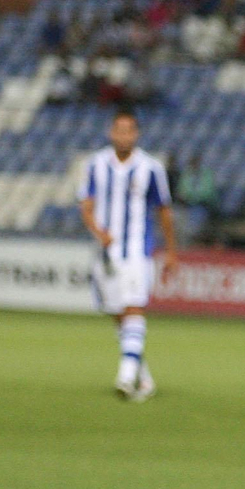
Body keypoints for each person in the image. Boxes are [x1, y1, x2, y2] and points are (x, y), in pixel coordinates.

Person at [79, 109, 176, 402]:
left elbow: (164, 211)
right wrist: (99, 231)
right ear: (111, 133)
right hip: (106, 254)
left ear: (136, 134)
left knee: (134, 307)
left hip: (137, 250)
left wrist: (171, 251)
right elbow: (86, 205)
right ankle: (142, 377)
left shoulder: (151, 168)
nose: (123, 135)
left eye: (129, 130)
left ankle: (124, 376)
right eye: (118, 130)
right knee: (118, 314)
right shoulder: (95, 164)